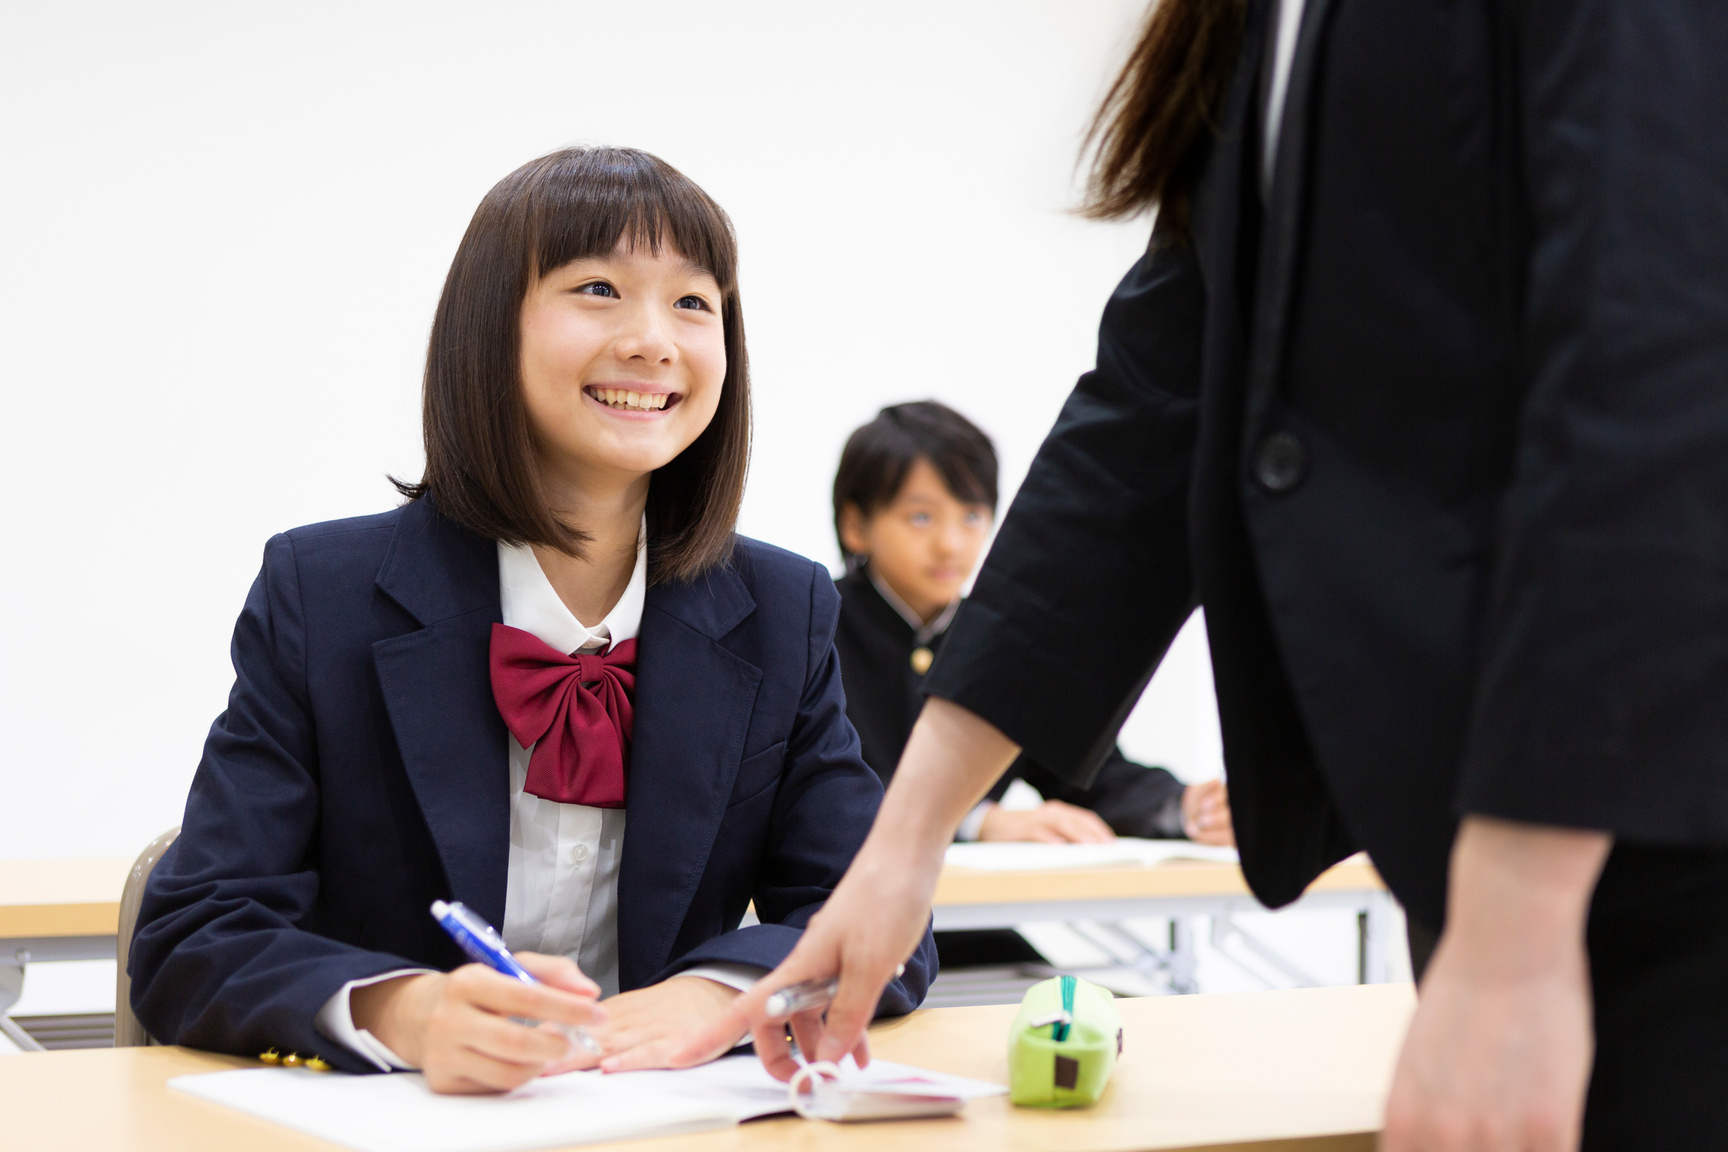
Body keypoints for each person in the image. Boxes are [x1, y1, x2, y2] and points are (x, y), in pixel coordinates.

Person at [695, 3, 1728, 1148]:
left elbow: (1655, 373)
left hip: (1631, 825)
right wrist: (907, 848)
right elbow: (1146, 426)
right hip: (1500, 843)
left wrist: (1515, 936)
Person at [128, 146, 934, 1094]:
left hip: (663, 1118)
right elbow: (196, 931)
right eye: (598, 287)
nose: (653, 340)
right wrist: (408, 1011)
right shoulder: (324, 591)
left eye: (692, 302)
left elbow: (880, 918)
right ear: (487, 329)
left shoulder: (782, 610)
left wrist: (718, 991)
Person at [831, 400, 1232, 848]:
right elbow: (823, 790)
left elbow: (1088, 773)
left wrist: (1184, 806)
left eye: (972, 517)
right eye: (921, 517)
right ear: (855, 525)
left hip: (973, 913)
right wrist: (979, 821)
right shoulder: (813, 630)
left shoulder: (1001, 635)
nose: (951, 544)